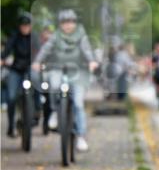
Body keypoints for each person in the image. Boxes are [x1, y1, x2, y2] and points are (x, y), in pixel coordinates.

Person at [32, 9, 99, 152]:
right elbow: (46, 49)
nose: (68, 25)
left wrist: (92, 61)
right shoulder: (56, 36)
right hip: (59, 68)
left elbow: (86, 50)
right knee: (54, 86)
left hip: (78, 71)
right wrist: (38, 61)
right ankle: (55, 112)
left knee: (78, 103)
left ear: (75, 23)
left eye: (70, 22)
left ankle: (80, 136)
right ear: (60, 24)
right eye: (64, 22)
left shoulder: (81, 35)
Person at [3, 13, 37, 136]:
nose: (25, 28)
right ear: (20, 26)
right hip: (16, 69)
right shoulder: (14, 36)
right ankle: (11, 126)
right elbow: (7, 49)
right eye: (23, 26)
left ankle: (36, 113)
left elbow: (41, 51)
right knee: (11, 97)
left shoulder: (35, 38)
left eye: (27, 25)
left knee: (38, 86)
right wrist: (2, 59)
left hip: (29, 68)